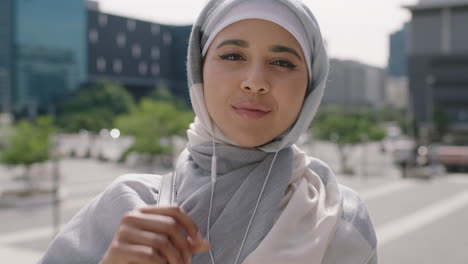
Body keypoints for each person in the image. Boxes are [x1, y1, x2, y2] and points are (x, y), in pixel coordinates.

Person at [38, 0, 378, 263]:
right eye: (232, 55)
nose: (255, 81)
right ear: (199, 71)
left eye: (283, 63)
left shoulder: (340, 219)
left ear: (311, 86)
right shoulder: (128, 207)